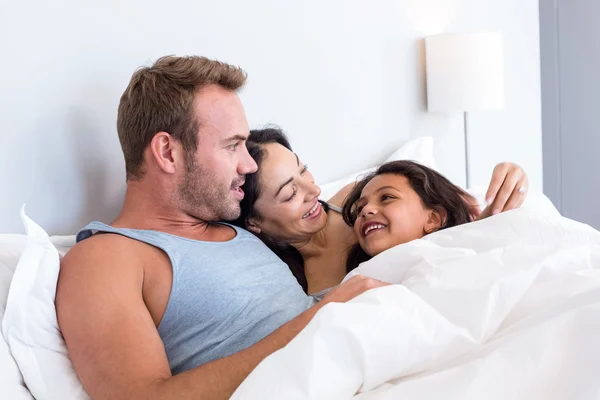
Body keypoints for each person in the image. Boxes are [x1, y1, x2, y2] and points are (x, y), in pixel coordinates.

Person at [55, 56, 388, 400]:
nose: (247, 164)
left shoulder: (232, 222)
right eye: (232, 146)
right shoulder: (104, 259)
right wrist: (321, 316)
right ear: (168, 152)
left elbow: (321, 204)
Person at [236, 127, 529, 297]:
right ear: (255, 222)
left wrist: (510, 181)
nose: (314, 192)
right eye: (290, 194)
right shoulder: (288, 284)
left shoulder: (359, 197)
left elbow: (459, 219)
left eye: (304, 171)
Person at [342, 160, 475, 271]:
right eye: (360, 208)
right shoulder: (347, 288)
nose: (366, 210)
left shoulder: (462, 263)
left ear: (433, 218)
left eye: (386, 197)